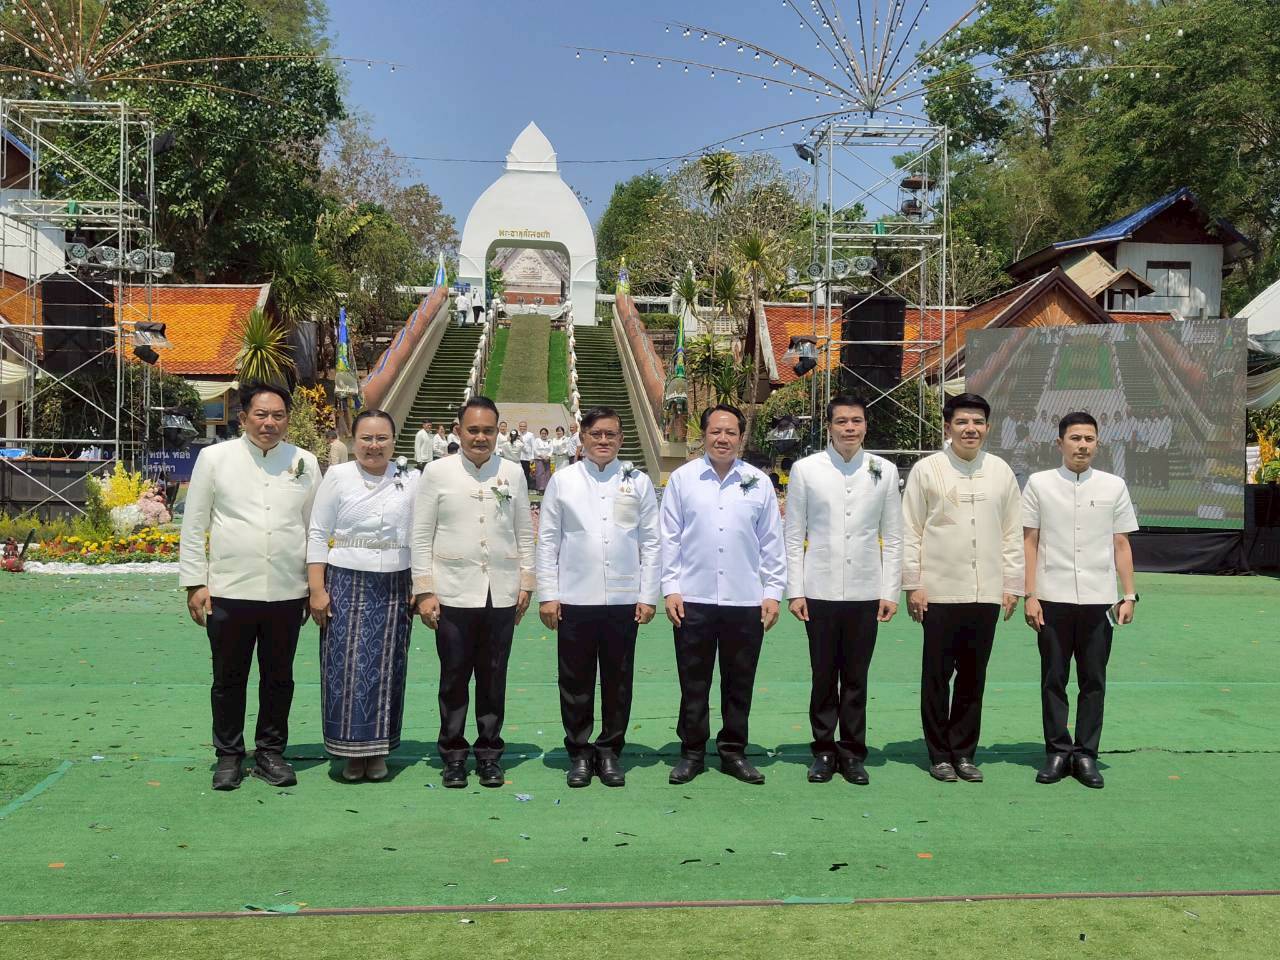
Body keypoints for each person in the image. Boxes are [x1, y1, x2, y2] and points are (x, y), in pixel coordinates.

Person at [179, 382, 319, 791]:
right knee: (228, 677)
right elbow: (194, 524)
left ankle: (271, 753)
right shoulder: (215, 459)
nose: (269, 423)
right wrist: (195, 582)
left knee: (279, 678)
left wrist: (314, 585)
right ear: (243, 418)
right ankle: (228, 755)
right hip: (229, 589)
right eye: (261, 414)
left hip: (287, 590)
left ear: (288, 420)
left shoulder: (305, 461)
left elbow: (315, 527)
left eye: (278, 415)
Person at [411, 396, 535, 789]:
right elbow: (420, 535)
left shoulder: (512, 472)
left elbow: (523, 531)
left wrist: (526, 582)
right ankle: (453, 754)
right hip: (451, 592)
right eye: (473, 430)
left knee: (494, 676)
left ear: (498, 432)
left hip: (500, 591)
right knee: (454, 677)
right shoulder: (436, 472)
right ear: (458, 431)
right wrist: (424, 590)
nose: (481, 438)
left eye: (488, 430)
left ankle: (489, 753)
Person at [660, 404, 786, 786]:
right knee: (693, 681)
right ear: (704, 434)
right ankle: (692, 752)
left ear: (741, 437)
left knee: (739, 681)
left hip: (745, 599)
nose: (723, 438)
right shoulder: (682, 480)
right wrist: (671, 588)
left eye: (731, 432)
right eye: (716, 431)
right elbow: (669, 538)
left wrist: (773, 591)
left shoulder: (758, 482)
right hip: (693, 598)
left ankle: (733, 751)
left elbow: (772, 541)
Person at [536, 406, 660, 788]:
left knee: (618, 679)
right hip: (575, 596)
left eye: (611, 434)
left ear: (621, 439)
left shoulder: (638, 481)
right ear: (583, 438)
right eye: (596, 434)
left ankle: (609, 751)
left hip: (624, 598)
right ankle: (579, 751)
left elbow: (651, 541)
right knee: (575, 679)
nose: (603, 440)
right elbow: (548, 540)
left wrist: (648, 594)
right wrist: (548, 594)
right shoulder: (564, 481)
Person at [902, 392, 1022, 784]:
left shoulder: (1001, 471)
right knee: (936, 676)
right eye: (962, 422)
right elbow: (910, 529)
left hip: (986, 591)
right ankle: (939, 754)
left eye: (978, 422)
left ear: (988, 427)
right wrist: (913, 583)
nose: (971, 429)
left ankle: (964, 753)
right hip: (938, 591)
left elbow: (1012, 533)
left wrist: (1012, 585)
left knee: (973, 676)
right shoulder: (927, 470)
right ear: (948, 427)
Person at [784, 396, 902, 786]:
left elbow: (894, 536)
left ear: (866, 425)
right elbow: (793, 534)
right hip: (819, 588)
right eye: (841, 421)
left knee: (856, 676)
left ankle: (852, 752)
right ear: (829, 426)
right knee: (823, 674)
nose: (849, 428)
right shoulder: (806, 470)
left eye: (856, 421)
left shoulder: (884, 471)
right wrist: (795, 590)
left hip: (867, 589)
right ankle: (823, 750)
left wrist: (890, 590)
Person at [1023, 412, 1138, 790]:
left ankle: (1086, 753)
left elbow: (1121, 543)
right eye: (1075, 438)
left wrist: (1128, 595)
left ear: (1097, 444)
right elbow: (1029, 542)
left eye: (1089, 439)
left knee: (1094, 680)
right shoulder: (1039, 484)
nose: (1082, 446)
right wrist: (1030, 594)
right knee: (1053, 679)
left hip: (1099, 600)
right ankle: (1057, 751)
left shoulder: (1113, 486)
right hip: (1051, 598)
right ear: (1060, 443)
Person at [307, 409, 418, 782]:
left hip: (395, 583)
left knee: (388, 667)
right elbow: (318, 533)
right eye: (366, 438)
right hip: (346, 581)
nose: (374, 446)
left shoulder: (410, 478)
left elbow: (422, 533)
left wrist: (422, 585)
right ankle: (349, 753)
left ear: (393, 441)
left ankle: (379, 750)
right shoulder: (338, 477)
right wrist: (317, 588)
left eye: (382, 438)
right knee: (345, 668)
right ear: (353, 441)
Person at [532, 427, 553, 492]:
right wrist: (541, 456)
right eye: (542, 433)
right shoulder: (537, 440)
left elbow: (551, 449)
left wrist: (548, 456)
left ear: (547, 434)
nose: (543, 435)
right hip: (539, 459)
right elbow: (535, 449)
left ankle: (547, 488)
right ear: (540, 434)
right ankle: (540, 488)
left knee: (547, 473)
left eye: (545, 433)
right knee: (540, 474)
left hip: (547, 459)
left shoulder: (550, 440)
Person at [517, 420, 536, 488]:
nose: (522, 428)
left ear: (526, 427)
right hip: (518, 458)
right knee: (518, 474)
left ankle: (525, 489)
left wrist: (532, 457)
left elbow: (534, 447)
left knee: (526, 474)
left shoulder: (530, 435)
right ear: (519, 427)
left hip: (526, 458)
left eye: (524, 426)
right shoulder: (516, 434)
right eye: (521, 426)